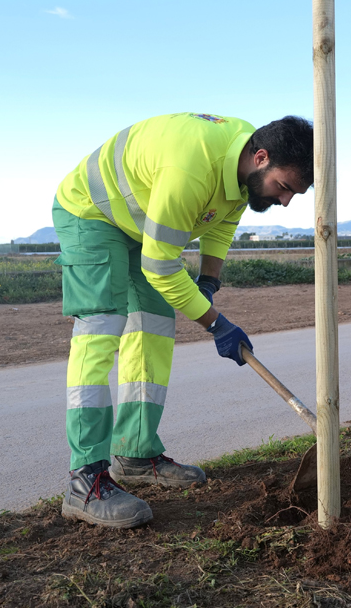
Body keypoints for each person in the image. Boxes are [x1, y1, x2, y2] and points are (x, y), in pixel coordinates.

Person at [52, 112, 314, 528]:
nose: (284, 201)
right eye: (284, 188)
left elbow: (222, 223)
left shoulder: (241, 166)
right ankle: (85, 479)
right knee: (101, 328)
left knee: (154, 328)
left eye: (293, 195)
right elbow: (160, 265)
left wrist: (208, 281)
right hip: (92, 213)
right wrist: (215, 323)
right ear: (261, 157)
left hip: (138, 225)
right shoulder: (192, 167)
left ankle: (135, 453)